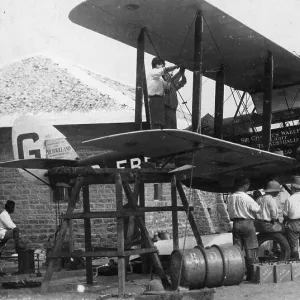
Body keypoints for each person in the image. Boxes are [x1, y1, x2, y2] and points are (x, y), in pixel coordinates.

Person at [227, 177, 260, 280]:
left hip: (236, 224)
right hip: (247, 223)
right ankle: (251, 275)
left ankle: (238, 275)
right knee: (250, 249)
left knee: (237, 250)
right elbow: (257, 209)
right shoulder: (246, 197)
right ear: (245, 186)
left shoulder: (231, 197)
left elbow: (229, 210)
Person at [147, 57, 179, 129]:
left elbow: (168, 86)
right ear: (157, 65)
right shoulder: (153, 72)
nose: (163, 66)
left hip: (160, 101)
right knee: (156, 122)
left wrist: (178, 74)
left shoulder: (159, 79)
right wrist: (175, 67)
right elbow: (164, 70)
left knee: (160, 123)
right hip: (154, 100)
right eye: (162, 65)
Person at [283, 175, 300, 259]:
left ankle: (297, 265)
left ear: (293, 188)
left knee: (294, 247)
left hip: (293, 224)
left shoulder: (290, 199)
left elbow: (285, 215)